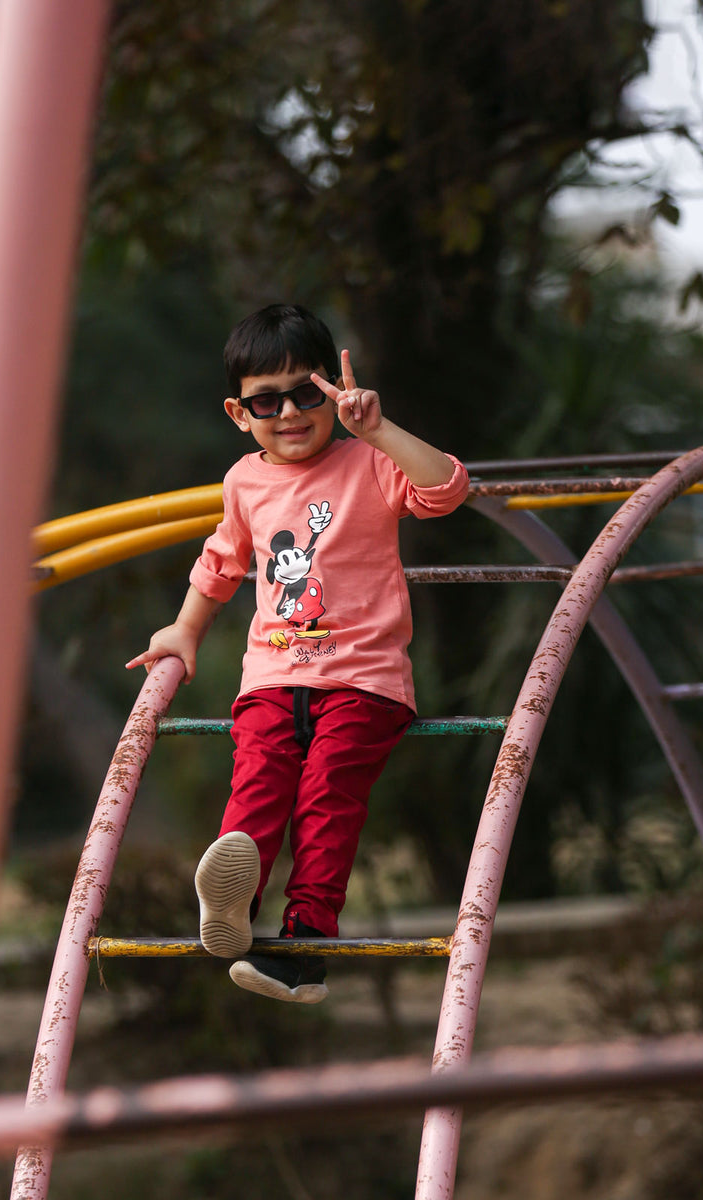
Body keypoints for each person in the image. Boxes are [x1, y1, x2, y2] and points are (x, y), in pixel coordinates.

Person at [127, 304, 469, 1003]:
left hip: (364, 682)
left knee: (325, 800)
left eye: (307, 392)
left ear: (333, 393)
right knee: (256, 786)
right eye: (267, 399)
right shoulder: (244, 482)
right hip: (273, 678)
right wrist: (185, 630)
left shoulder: (371, 463)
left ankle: (307, 947)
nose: (290, 411)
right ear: (238, 411)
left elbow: (446, 491)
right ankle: (234, 910)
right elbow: (221, 563)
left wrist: (377, 428)